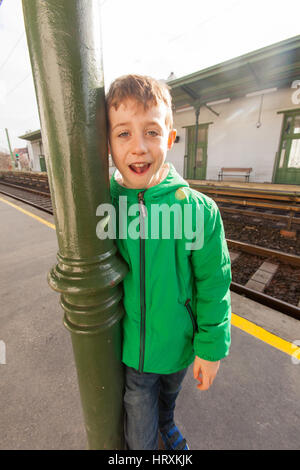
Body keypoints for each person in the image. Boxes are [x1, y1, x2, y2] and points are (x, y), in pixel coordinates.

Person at [105, 74, 231, 450]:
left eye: (152, 133)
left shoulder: (198, 211)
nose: (139, 147)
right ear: (107, 145)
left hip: (179, 345)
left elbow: (213, 284)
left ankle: (168, 424)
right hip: (135, 353)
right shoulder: (104, 205)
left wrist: (211, 349)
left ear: (171, 138)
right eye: (123, 134)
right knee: (138, 422)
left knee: (168, 400)